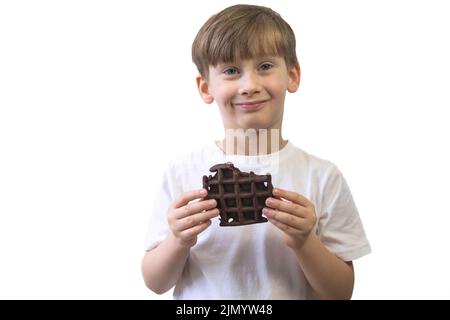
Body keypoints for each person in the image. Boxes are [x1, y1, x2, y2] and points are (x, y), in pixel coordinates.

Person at [141, 4, 371, 299]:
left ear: (292, 75)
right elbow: (156, 282)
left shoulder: (322, 176)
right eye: (231, 71)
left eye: (264, 66)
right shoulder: (181, 173)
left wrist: (305, 242)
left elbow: (340, 293)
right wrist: (177, 239)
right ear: (205, 88)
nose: (249, 85)